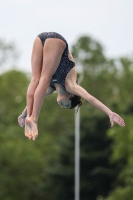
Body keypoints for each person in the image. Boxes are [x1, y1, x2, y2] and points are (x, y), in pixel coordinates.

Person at [18, 32, 125, 141]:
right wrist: (109, 113)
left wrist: (24, 114)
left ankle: (29, 118)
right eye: (66, 105)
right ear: (70, 96)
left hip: (40, 39)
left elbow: (35, 98)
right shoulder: (71, 86)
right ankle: (34, 119)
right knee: (44, 79)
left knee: (36, 80)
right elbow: (90, 98)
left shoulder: (50, 89)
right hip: (57, 41)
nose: (61, 106)